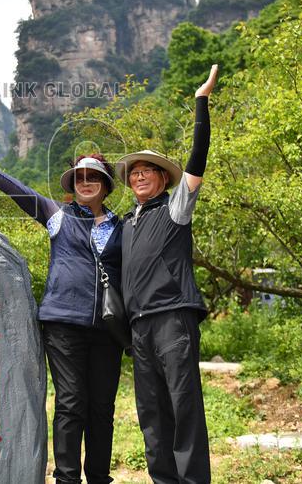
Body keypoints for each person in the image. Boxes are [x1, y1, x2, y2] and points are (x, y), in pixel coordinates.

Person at [0, 145, 123, 484]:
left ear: (106, 185)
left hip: (108, 327)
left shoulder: (122, 225)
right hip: (63, 323)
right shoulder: (58, 215)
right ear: (73, 184)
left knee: (102, 409)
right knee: (72, 402)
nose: (86, 182)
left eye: (94, 177)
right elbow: (19, 191)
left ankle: (100, 477)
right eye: (80, 178)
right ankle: (67, 478)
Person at [118, 65, 218, 484]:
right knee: (152, 411)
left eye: (148, 171)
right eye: (134, 173)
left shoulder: (174, 210)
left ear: (163, 179)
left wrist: (201, 103)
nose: (139, 175)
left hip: (173, 317)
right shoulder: (126, 223)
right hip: (139, 326)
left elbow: (197, 162)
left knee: (183, 404)